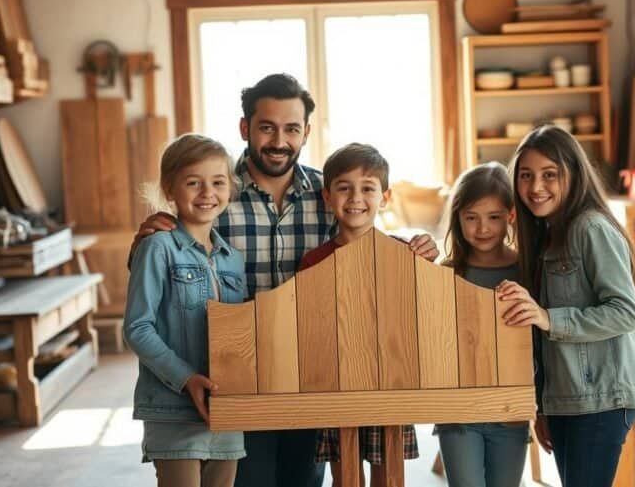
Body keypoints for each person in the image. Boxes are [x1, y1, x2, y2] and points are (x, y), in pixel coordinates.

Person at [130, 74, 438, 487]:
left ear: (306, 132)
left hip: (307, 372)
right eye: (267, 127)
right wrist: (146, 237)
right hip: (237, 374)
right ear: (246, 128)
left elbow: (362, 240)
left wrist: (413, 248)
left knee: (303, 479)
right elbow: (169, 257)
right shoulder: (218, 188)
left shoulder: (327, 193)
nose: (279, 140)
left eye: (291, 129)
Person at [495, 125, 635, 487]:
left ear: (574, 175)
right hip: (567, 399)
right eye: (526, 176)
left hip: (602, 400)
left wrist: (549, 318)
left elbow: (627, 312)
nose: (536, 188)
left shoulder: (589, 228)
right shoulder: (545, 236)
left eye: (550, 175)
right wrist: (544, 406)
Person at [124, 134, 248, 487]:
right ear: (170, 189)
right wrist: (186, 378)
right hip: (173, 409)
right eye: (193, 182)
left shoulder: (233, 260)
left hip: (226, 410)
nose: (207, 192)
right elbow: (137, 328)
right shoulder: (157, 248)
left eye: (218, 182)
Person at [296, 143, 423, 482]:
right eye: (344, 188)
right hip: (334, 385)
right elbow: (307, 327)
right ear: (327, 196)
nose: (355, 198)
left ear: (385, 197)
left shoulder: (402, 254)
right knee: (345, 478)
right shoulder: (313, 261)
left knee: (389, 476)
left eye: (367, 188)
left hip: (391, 383)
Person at [434, 162, 529, 487]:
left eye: (494, 217)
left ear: (511, 216)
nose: (482, 228)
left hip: (511, 412)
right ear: (458, 218)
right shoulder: (446, 272)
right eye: (471, 218)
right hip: (458, 412)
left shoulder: (527, 270)